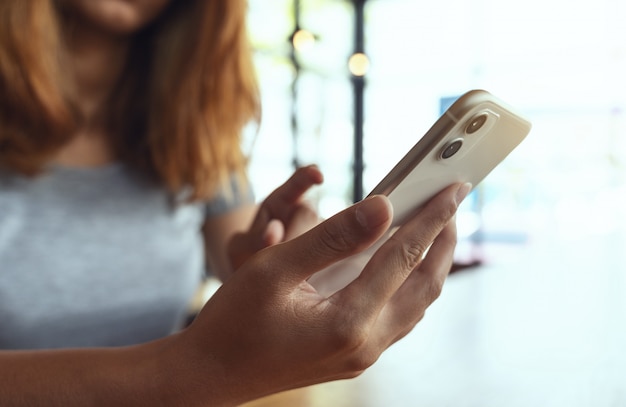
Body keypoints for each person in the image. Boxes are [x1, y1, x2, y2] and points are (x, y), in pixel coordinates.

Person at [0, 0, 470, 405]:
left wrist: (285, 269)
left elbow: (243, 262)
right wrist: (189, 373)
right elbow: (204, 366)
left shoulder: (190, 130)